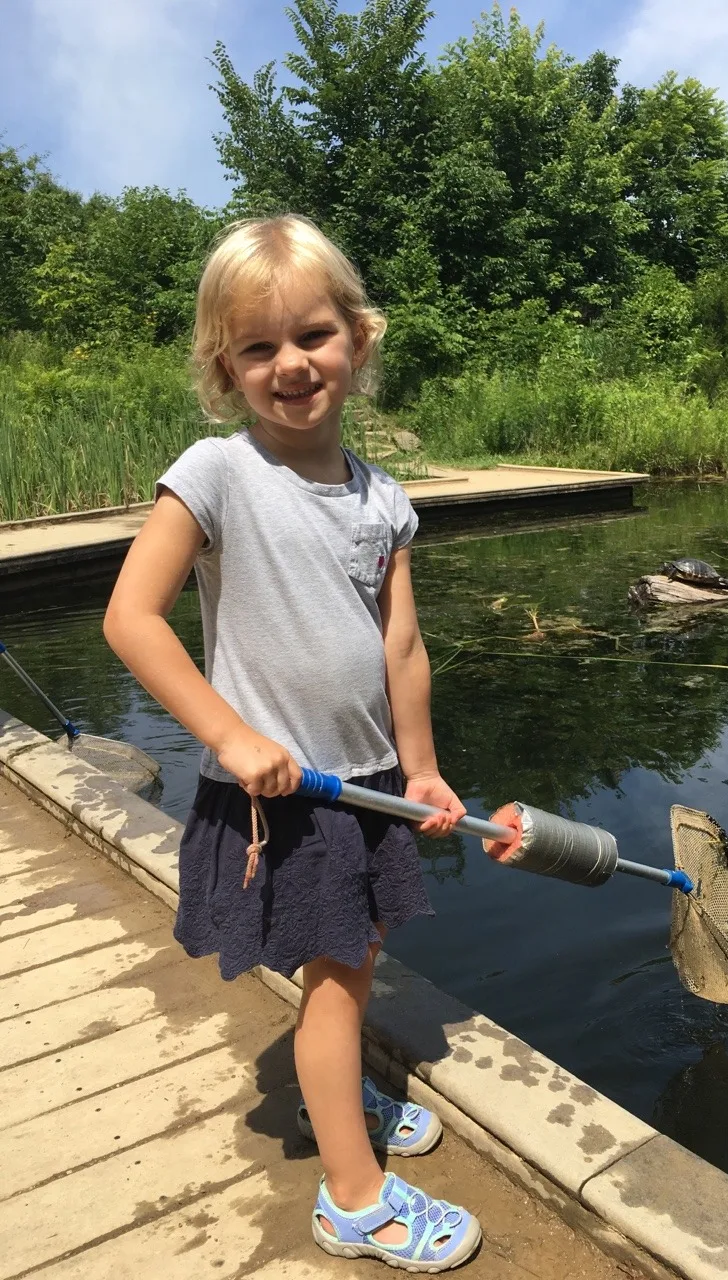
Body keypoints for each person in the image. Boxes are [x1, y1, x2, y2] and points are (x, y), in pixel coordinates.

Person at [104, 214, 482, 1271]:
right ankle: (354, 1199)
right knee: (338, 980)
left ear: (358, 339)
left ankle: (338, 1098)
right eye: (258, 347)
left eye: (312, 334)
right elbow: (131, 617)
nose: (291, 363)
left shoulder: (384, 498)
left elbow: (401, 646)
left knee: (352, 959)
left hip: (365, 783)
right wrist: (231, 731)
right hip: (285, 789)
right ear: (225, 367)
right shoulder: (218, 471)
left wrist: (423, 766)